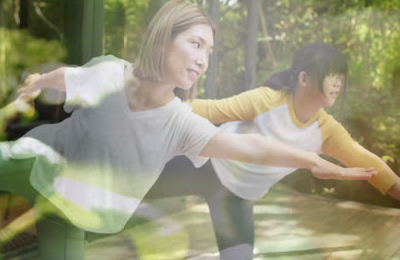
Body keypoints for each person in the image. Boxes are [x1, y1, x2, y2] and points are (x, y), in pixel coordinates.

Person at [0, 1, 375, 260]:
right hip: (32, 163)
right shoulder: (110, 73)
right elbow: (67, 76)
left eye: (209, 51)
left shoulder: (181, 124)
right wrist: (30, 90)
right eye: (195, 44)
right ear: (164, 39)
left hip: (70, 209)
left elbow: (251, 146)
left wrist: (314, 160)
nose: (203, 59)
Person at [147, 42, 400, 260]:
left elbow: (370, 164)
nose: (338, 84)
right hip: (201, 165)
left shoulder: (327, 130)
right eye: (332, 75)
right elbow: (211, 109)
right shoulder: (267, 101)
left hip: (237, 198)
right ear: (304, 79)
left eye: (341, 78)